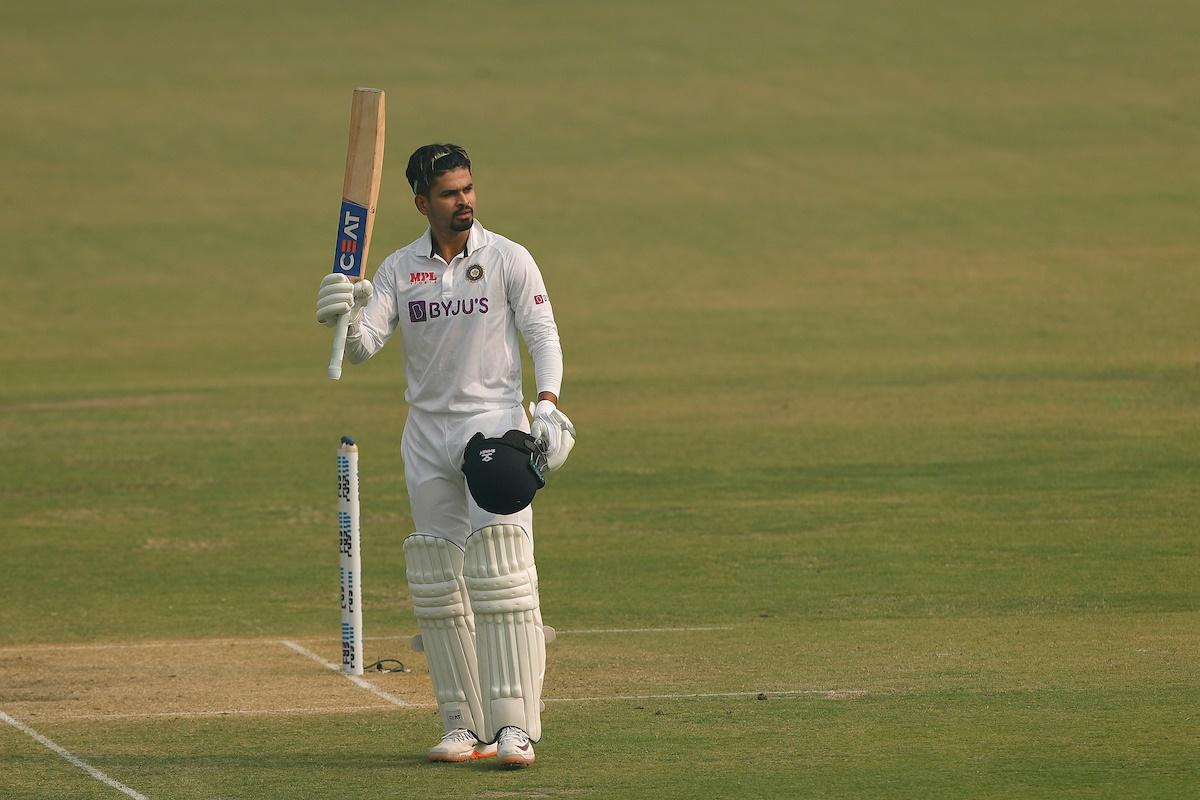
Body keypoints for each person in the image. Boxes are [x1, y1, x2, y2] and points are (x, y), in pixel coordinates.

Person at [314, 144, 575, 768]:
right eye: (451, 193)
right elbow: (366, 346)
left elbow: (543, 333)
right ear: (421, 202)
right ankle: (464, 726)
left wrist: (545, 403)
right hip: (426, 433)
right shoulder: (401, 268)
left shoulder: (507, 257)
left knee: (504, 575)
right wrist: (342, 315)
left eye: (468, 188)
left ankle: (516, 729)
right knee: (437, 579)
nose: (465, 201)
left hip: (494, 429)